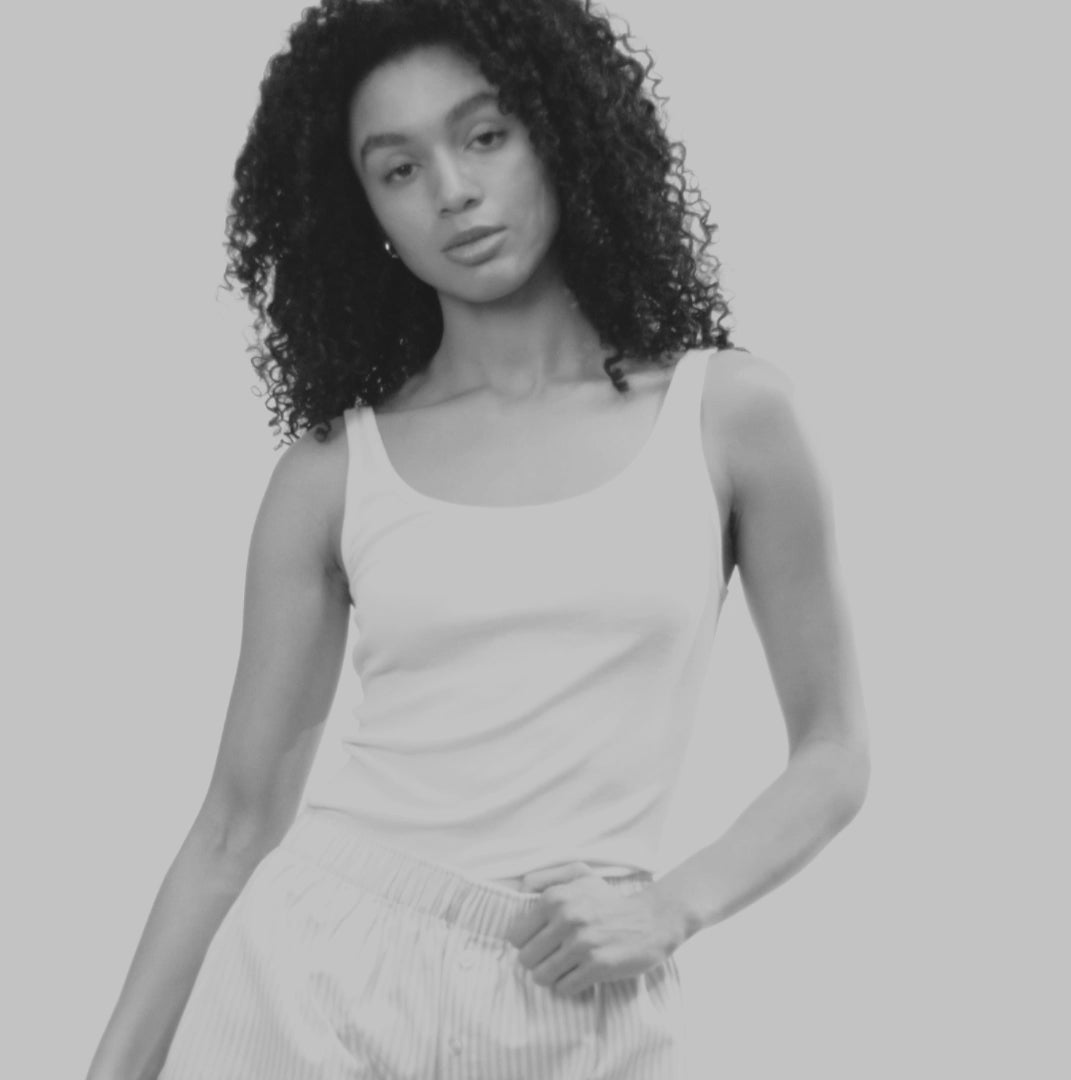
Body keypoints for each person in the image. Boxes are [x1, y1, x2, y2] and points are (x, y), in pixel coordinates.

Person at [86, 0, 870, 1077]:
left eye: (485, 135)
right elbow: (234, 824)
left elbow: (834, 752)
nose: (451, 190)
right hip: (320, 976)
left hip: (584, 995)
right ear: (360, 209)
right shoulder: (333, 472)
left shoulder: (729, 415)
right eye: (398, 169)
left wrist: (673, 908)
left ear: (561, 134)